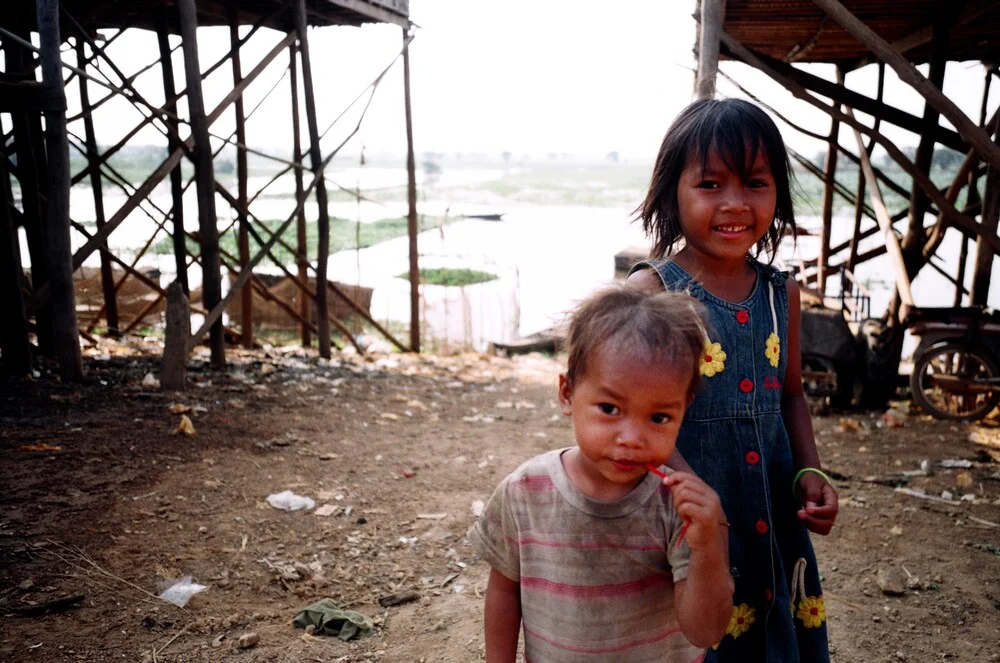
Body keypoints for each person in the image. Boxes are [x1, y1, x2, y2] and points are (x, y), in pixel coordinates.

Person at [627, 97, 839, 662]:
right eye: (711, 184)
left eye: (756, 183)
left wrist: (808, 474)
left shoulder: (781, 295)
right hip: (687, 519)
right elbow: (628, 413)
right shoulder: (652, 294)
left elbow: (790, 394)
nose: (735, 204)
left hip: (769, 513)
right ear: (673, 191)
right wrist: (695, 495)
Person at [470, 286, 733, 663]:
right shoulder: (525, 491)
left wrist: (708, 547)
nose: (631, 438)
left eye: (659, 417)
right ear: (567, 393)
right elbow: (504, 590)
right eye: (609, 408)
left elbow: (705, 631)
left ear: (683, 409)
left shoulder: (679, 507)